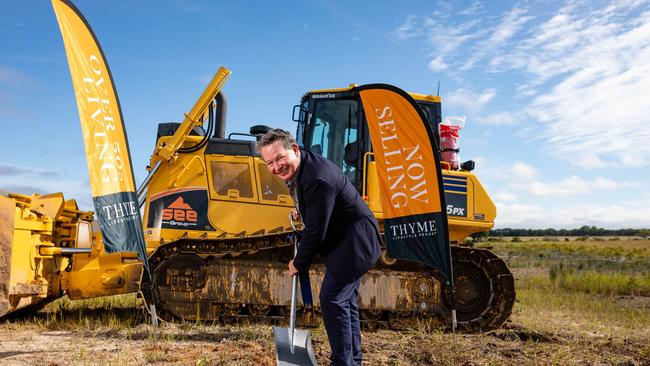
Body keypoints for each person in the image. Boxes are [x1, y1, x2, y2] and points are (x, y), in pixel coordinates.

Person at [258, 128, 382, 366]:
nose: (276, 167)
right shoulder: (304, 166)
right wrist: (304, 208)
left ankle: (343, 362)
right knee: (344, 302)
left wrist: (298, 263)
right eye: (270, 162)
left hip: (355, 243)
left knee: (333, 299)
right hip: (349, 238)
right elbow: (316, 204)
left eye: (280, 158)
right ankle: (352, 360)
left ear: (294, 150)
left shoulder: (317, 178)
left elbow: (315, 232)